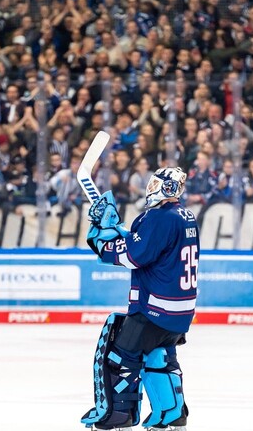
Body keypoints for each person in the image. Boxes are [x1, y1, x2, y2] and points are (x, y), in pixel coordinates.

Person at [82, 167, 196, 431]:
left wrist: (101, 239)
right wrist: (119, 230)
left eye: (157, 182)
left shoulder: (157, 218)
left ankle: (119, 415)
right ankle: (171, 413)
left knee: (120, 358)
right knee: (159, 356)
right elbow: (147, 245)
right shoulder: (184, 215)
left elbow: (133, 256)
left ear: (167, 188)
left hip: (154, 308)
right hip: (179, 312)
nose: (151, 186)